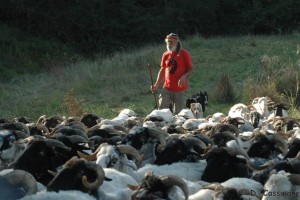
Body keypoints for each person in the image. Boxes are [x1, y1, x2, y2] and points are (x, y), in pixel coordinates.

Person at [150, 33, 193, 114]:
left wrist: (184, 76)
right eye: (168, 42)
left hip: (180, 89)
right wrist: (156, 85)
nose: (169, 44)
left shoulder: (184, 54)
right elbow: (162, 70)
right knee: (162, 110)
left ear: (177, 42)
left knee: (179, 114)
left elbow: (191, 69)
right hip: (166, 88)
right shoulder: (165, 54)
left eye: (171, 42)